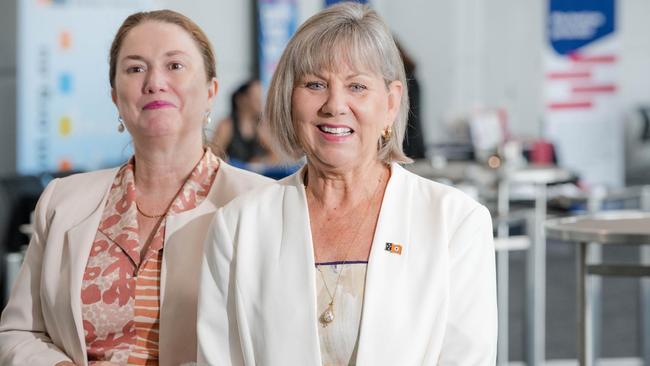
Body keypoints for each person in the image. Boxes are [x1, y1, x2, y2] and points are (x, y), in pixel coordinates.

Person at [197, 3, 497, 365]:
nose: (335, 105)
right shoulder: (237, 226)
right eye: (315, 84)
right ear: (290, 100)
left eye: (357, 86)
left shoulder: (455, 223)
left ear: (390, 103)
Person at [0, 10, 270, 366]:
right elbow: (19, 333)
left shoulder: (262, 204)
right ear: (115, 96)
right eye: (135, 68)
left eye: (174, 66)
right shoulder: (62, 201)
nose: (155, 82)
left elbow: (277, 343)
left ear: (210, 91)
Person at [211, 79, 276, 163]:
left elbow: (276, 158)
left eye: (261, 96)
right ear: (241, 99)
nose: (260, 100)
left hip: (255, 174)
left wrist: (260, 161)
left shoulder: (262, 127)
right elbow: (213, 157)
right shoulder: (227, 126)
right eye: (256, 96)